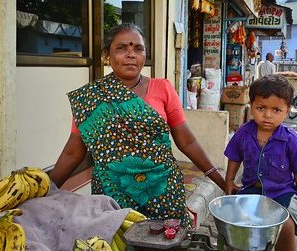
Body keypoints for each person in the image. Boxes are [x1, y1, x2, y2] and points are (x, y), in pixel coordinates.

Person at [50, 23, 225, 227]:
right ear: (107, 55)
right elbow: (73, 153)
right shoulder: (91, 99)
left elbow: (187, 142)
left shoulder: (163, 88)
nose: (131, 54)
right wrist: (46, 190)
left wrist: (221, 182)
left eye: (138, 49)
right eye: (122, 48)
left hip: (163, 193)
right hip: (112, 197)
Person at [224, 75, 297, 251]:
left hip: (282, 194)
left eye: (276, 110)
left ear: (287, 109)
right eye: (261, 108)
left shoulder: (292, 141)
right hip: (251, 192)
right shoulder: (243, 133)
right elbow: (234, 157)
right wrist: (229, 180)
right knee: (245, 228)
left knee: (285, 227)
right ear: (251, 105)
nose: (267, 115)